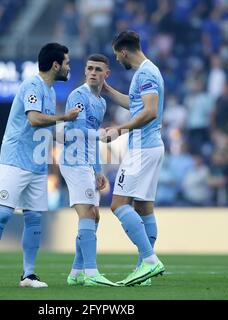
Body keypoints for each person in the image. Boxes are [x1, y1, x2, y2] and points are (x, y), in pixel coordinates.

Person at [0, 43, 80, 289]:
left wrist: (77, 136)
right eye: (66, 63)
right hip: (14, 160)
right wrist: (64, 118)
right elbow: (34, 119)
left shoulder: (52, 92)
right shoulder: (31, 86)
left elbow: (48, 128)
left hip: (37, 164)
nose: (68, 67)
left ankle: (28, 275)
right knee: (2, 214)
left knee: (34, 219)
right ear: (55, 65)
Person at [101, 30, 165, 286]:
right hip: (151, 147)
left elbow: (149, 112)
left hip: (142, 149)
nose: (117, 60)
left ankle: (149, 260)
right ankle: (144, 271)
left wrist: (119, 129)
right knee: (144, 208)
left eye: (117, 55)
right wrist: (108, 90)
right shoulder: (149, 72)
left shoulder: (146, 74)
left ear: (124, 51)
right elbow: (136, 103)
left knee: (118, 205)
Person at [59, 54, 118, 287]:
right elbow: (79, 129)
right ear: (85, 72)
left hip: (87, 163)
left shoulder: (101, 102)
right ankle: (92, 273)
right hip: (73, 162)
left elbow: (92, 141)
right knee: (87, 215)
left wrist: (98, 169)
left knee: (94, 217)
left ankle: (76, 273)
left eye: (98, 69)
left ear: (107, 74)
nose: (93, 72)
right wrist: (102, 134)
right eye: (90, 68)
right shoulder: (78, 96)